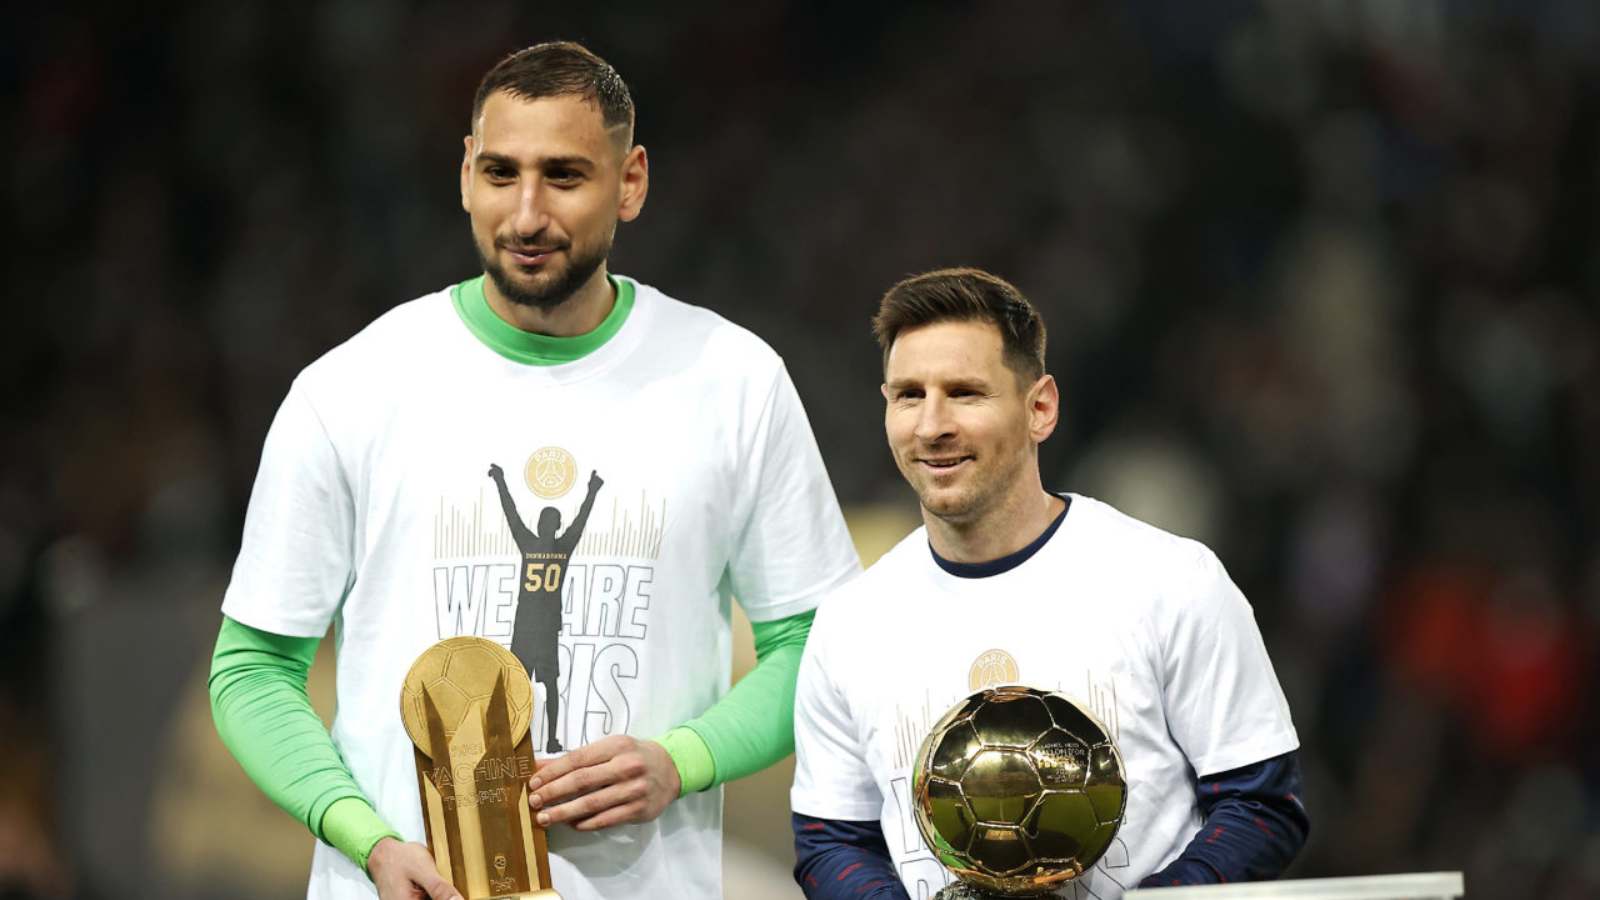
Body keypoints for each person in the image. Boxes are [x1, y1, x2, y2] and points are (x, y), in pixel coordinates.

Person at [208, 41, 858, 900]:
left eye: (563, 176)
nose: (525, 214)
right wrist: (367, 839)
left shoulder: (731, 380)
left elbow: (817, 646)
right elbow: (251, 669)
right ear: (464, 174)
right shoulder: (351, 390)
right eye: (501, 172)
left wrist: (683, 760)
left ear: (631, 182)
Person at [789, 269, 1308, 899]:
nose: (931, 425)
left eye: (965, 393)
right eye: (908, 395)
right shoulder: (851, 624)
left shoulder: (1171, 582)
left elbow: (1261, 804)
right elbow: (832, 840)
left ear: (1040, 408)